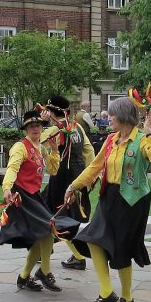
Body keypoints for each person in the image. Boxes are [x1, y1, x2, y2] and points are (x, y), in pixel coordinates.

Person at [66, 97, 151, 302]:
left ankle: (128, 300)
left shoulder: (142, 139)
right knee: (92, 238)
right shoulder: (111, 140)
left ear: (124, 116)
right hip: (109, 197)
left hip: (133, 201)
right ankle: (107, 293)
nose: (109, 117)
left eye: (112, 114)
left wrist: (149, 131)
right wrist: (74, 186)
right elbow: (95, 166)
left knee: (122, 250)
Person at [0, 110, 79, 291]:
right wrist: (6, 189)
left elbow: (52, 170)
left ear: (42, 128)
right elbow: (12, 168)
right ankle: (44, 271)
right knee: (49, 228)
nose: (35, 129)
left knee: (43, 234)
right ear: (26, 129)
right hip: (21, 196)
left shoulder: (41, 148)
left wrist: (53, 149)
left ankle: (24, 277)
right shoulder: (20, 147)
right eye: (30, 126)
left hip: (34, 195)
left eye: (38, 125)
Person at [39, 96, 95, 271]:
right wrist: (91, 177)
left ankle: (76, 256)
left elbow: (36, 140)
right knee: (62, 216)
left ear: (51, 112)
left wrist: (41, 122)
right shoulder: (77, 127)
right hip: (78, 177)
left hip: (62, 179)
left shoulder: (56, 129)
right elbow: (88, 150)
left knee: (53, 216)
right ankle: (47, 250)